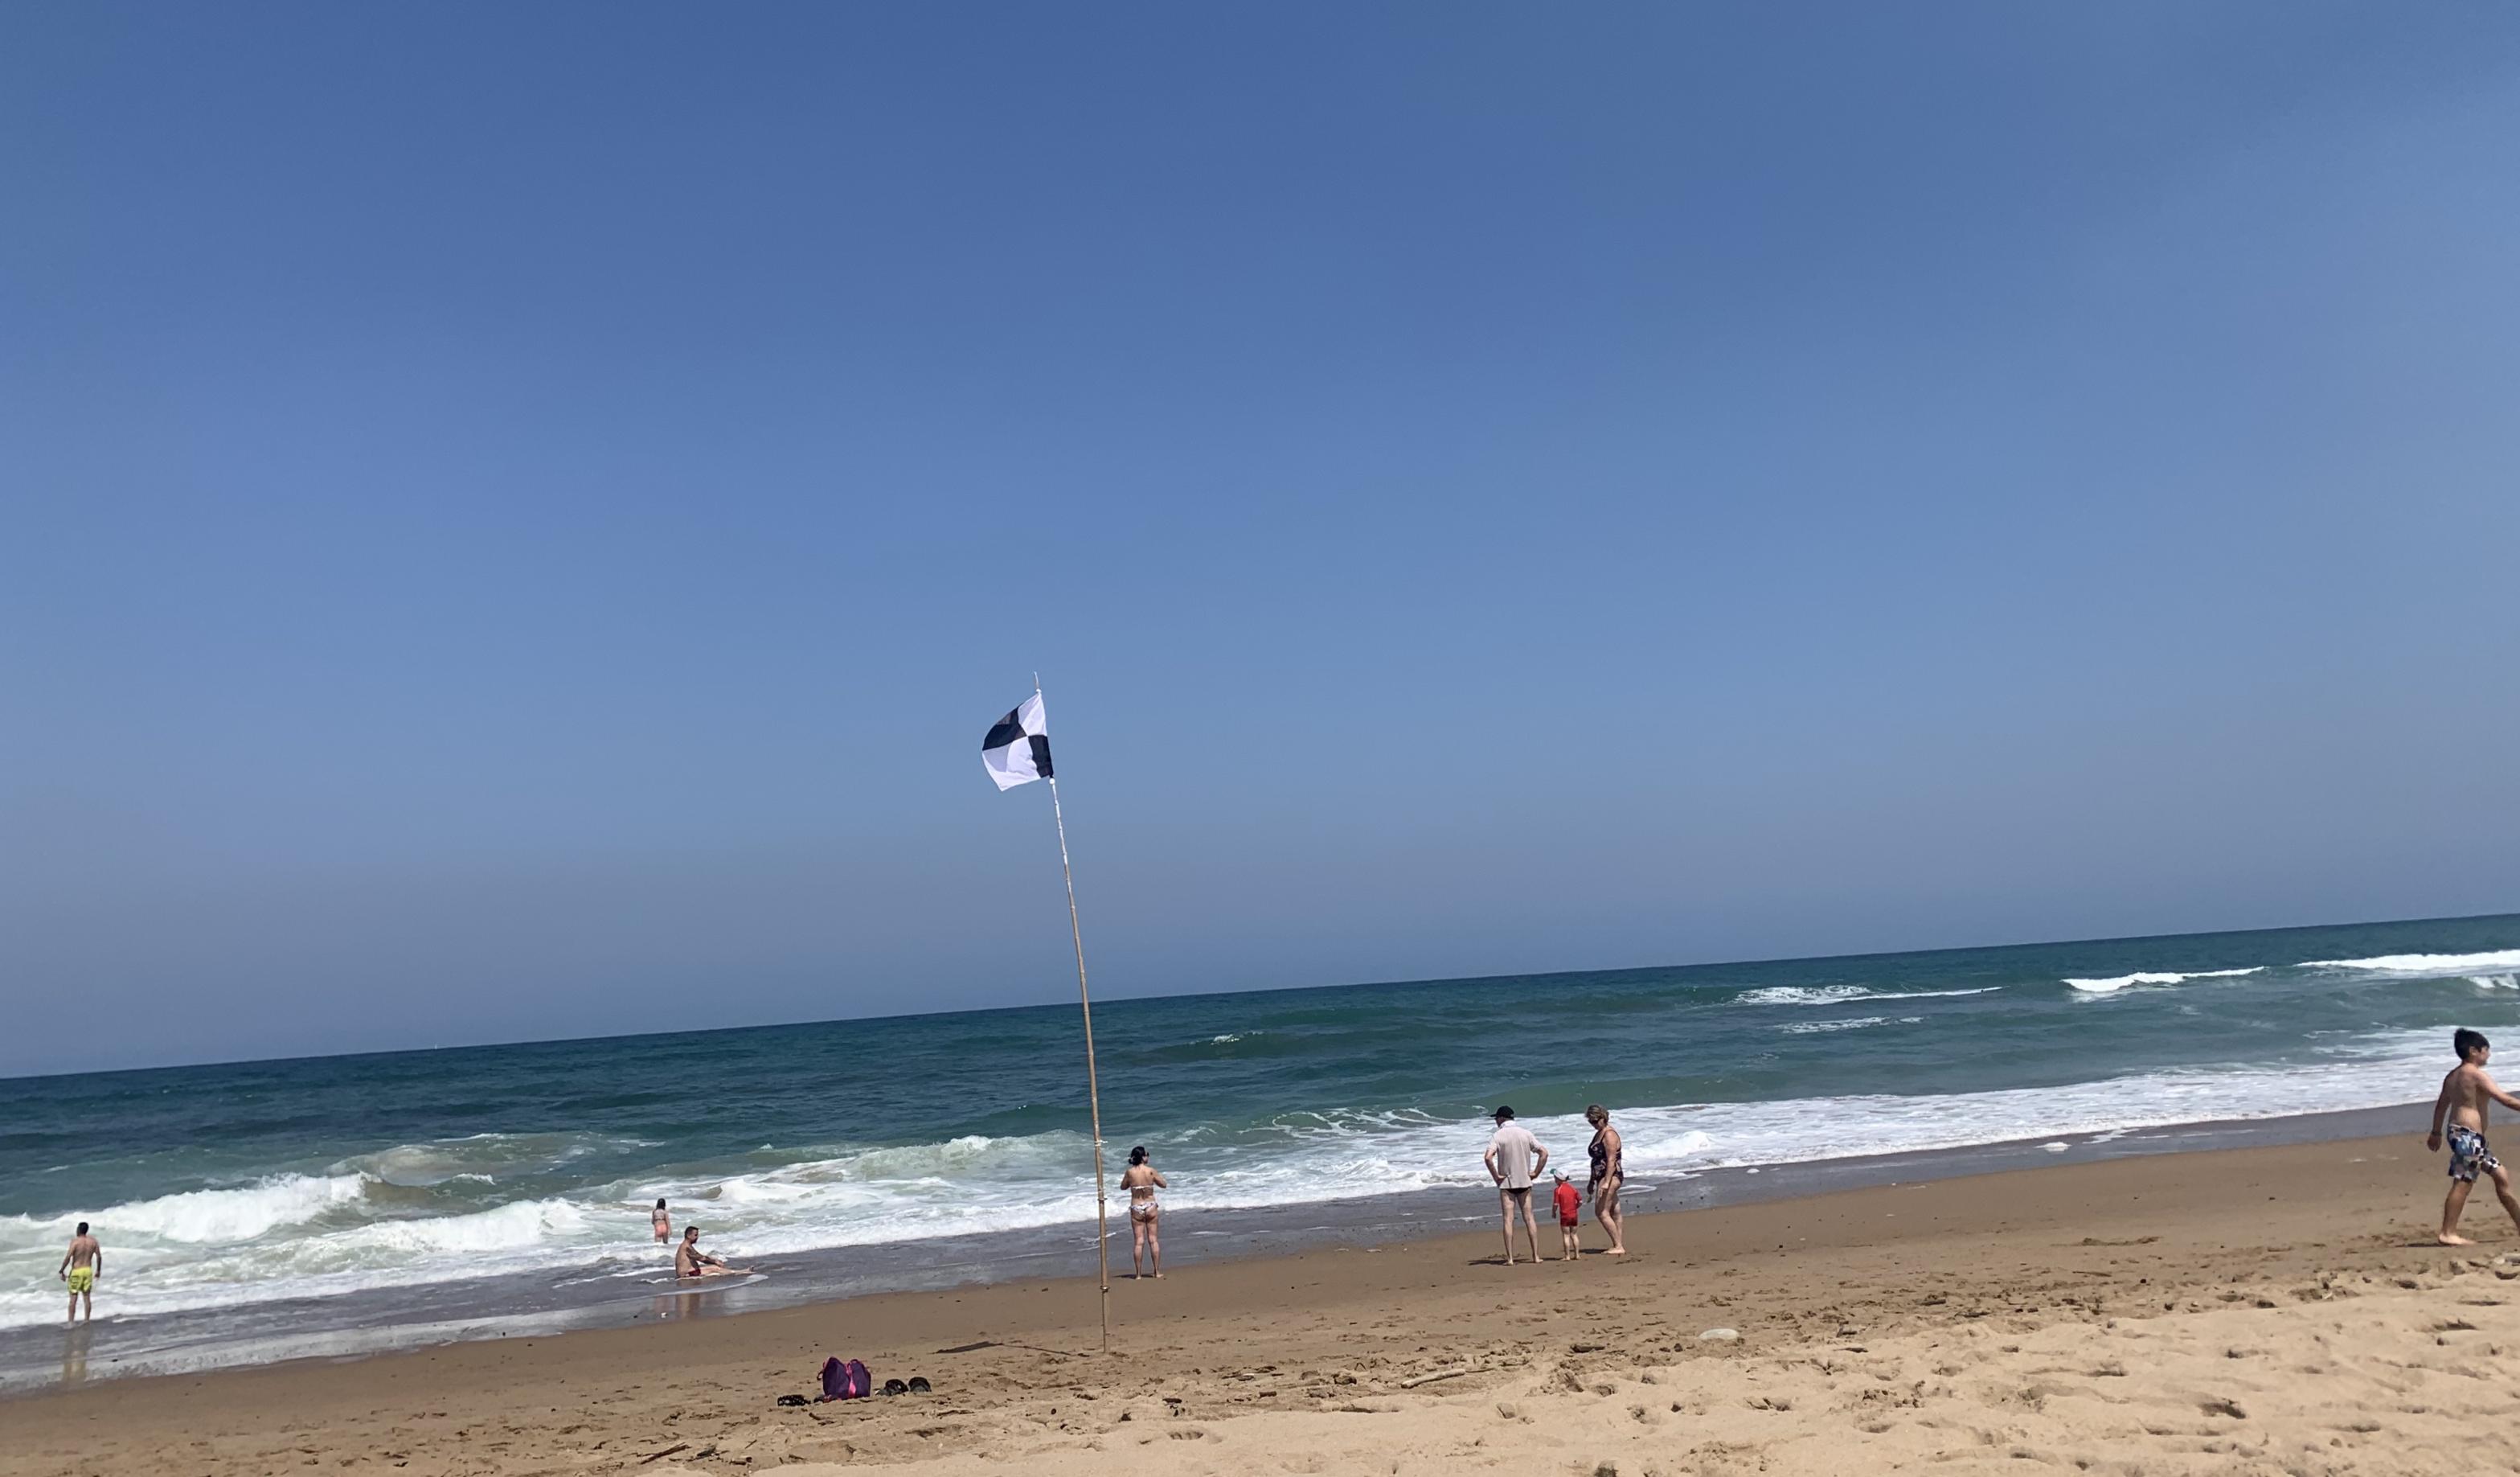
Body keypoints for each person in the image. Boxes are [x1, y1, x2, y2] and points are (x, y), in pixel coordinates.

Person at [2429, 1028, 2520, 1245]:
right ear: (2473, 1051)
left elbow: (2441, 1106)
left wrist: (2436, 1132)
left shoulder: (2452, 1076)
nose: (2488, 1054)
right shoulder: (2474, 1074)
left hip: (2466, 1137)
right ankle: (2448, 1233)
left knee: (2501, 1176)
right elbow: (2504, 1099)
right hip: (2466, 1136)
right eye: (2486, 1050)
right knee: (2464, 1181)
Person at [1483, 1106, 1548, 1266]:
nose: (1496, 1121)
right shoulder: (1525, 1133)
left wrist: (1496, 1177)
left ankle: (1510, 1258)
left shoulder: (1498, 1136)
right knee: (1529, 1218)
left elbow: (1487, 1158)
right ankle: (1535, 1256)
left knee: (1508, 1220)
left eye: (1496, 1118)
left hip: (1507, 1183)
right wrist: (1536, 1173)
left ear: (1501, 1119)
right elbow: (1544, 1153)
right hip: (1524, 1181)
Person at [1585, 1103, 1628, 1256]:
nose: (1593, 1124)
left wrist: (1607, 1182)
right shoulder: (1600, 1132)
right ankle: (1618, 1243)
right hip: (1600, 1176)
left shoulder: (1609, 1134)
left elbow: (1611, 1160)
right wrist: (1591, 1181)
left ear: (1603, 1118)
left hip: (1611, 1176)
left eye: (1595, 1121)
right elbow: (1596, 1160)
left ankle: (1618, 1245)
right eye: (1591, 1121)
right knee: (1614, 1210)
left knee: (1601, 1212)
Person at [1119, 1145, 1167, 1280]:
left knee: (1139, 1241)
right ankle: (1156, 1272)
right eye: (1147, 1154)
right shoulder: (1151, 1171)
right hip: (1150, 1205)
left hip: (1136, 1207)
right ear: (1143, 1157)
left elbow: (1123, 1187)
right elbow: (1163, 1184)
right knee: (1153, 1240)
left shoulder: (1130, 1172)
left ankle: (1139, 1274)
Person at [59, 1223, 100, 1324]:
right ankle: (87, 1320)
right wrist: (98, 1270)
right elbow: (99, 1256)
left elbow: (68, 1257)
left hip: (77, 1271)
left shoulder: (75, 1242)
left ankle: (71, 1322)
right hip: (88, 1270)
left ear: (78, 1230)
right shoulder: (93, 1241)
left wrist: (62, 1270)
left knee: (73, 1298)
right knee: (87, 1297)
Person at [674, 1225, 748, 1278]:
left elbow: (700, 1257)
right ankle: (740, 1272)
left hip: (690, 1272)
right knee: (715, 1268)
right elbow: (702, 1259)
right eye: (696, 1235)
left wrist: (714, 1261)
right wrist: (716, 1261)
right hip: (687, 1274)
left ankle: (737, 1272)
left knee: (714, 1268)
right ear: (688, 1235)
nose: (697, 1237)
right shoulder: (687, 1247)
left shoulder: (686, 1245)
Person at [1551, 1171, 1582, 1262]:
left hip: (1565, 1215)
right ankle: (1577, 1255)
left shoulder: (1558, 1190)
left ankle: (1567, 1256)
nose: (1555, 1180)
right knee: (1574, 1235)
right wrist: (1575, 1208)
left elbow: (1556, 1204)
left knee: (1566, 1235)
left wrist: (1554, 1212)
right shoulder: (1573, 1189)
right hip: (1574, 1215)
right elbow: (1580, 1201)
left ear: (1559, 1179)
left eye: (1555, 1178)